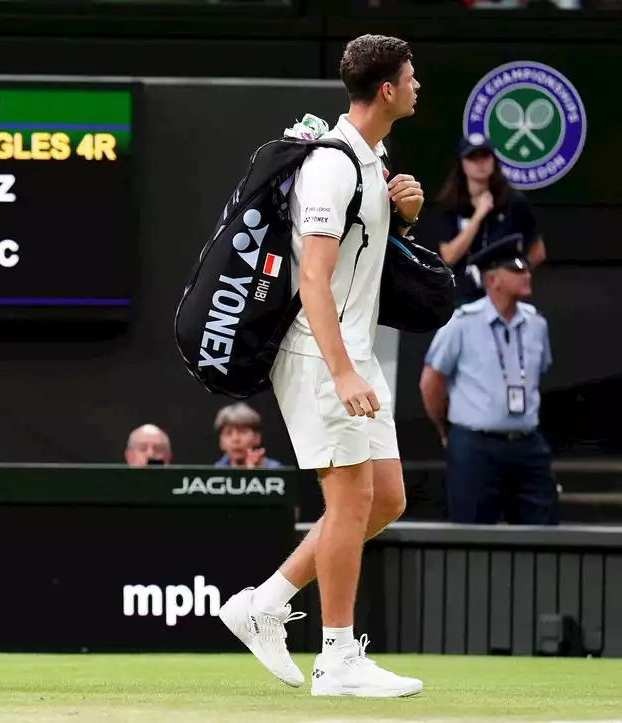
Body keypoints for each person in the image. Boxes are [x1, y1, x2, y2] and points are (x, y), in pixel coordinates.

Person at [217, 35, 423, 697]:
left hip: (352, 352)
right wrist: (341, 373)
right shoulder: (332, 167)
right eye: (411, 77)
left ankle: (264, 601)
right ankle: (336, 657)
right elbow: (312, 276)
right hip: (318, 351)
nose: (418, 86)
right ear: (386, 89)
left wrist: (405, 216)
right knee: (351, 498)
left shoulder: (374, 159)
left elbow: (364, 259)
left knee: (384, 498)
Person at [419, 245, 556, 525]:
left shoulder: (536, 324)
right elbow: (430, 383)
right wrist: (446, 430)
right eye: (517, 270)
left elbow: (538, 376)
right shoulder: (461, 323)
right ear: (493, 280)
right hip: (475, 445)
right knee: (471, 534)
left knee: (544, 534)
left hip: (527, 444)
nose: (526, 274)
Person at [430, 134, 546, 306]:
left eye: (485, 156)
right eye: (472, 158)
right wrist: (479, 215)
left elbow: (538, 251)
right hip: (463, 298)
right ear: (462, 163)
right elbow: (449, 256)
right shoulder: (450, 205)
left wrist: (514, 274)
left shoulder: (514, 202)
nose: (480, 163)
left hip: (503, 297)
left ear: (493, 160)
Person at [211, 403, 284, 469]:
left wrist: (257, 472)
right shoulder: (213, 473)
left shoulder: (277, 471)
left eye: (242, 432)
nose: (235, 439)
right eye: (228, 433)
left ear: (256, 438)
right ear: (220, 442)